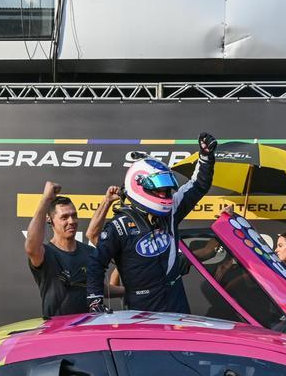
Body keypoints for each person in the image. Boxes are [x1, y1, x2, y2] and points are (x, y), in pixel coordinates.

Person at [86, 132, 217, 313]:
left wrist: (206, 157)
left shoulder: (170, 211)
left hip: (175, 300)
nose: (164, 194)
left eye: (166, 189)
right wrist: (95, 300)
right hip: (142, 308)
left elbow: (198, 185)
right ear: (138, 185)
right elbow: (96, 262)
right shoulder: (119, 226)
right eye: (158, 189)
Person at [25, 181, 91, 318]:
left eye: (74, 215)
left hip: (87, 331)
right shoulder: (45, 253)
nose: (72, 221)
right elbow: (31, 248)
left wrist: (127, 290)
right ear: (50, 220)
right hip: (57, 333)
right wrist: (46, 199)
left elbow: (99, 287)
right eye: (64, 217)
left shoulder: (89, 252)